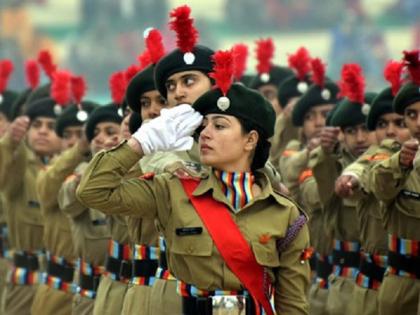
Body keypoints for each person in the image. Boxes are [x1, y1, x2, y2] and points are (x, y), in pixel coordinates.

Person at [76, 54, 311, 314]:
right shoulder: (172, 189)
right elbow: (92, 191)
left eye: (219, 126)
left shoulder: (283, 212)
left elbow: (292, 303)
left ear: (250, 140)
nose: (207, 134)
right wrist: (138, 144)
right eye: (204, 127)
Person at [308, 64, 377, 315]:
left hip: (389, 282)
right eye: (351, 131)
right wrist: (325, 153)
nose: (360, 138)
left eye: (366, 129)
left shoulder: (395, 163)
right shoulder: (330, 165)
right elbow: (319, 189)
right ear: (341, 136)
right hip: (346, 283)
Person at [31, 101, 98, 315]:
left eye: (80, 134)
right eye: (67, 135)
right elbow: (45, 188)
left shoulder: (102, 173)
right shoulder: (54, 172)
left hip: (94, 292)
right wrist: (79, 150)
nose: (73, 142)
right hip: (57, 292)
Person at [57, 104, 122, 315]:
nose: (101, 138)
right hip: (90, 296)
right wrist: (99, 166)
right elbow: (68, 201)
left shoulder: (138, 174)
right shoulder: (82, 173)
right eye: (96, 133)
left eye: (110, 132)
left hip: (128, 291)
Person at [0, 96, 62, 315]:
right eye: (36, 125)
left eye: (51, 126)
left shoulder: (72, 171)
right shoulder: (19, 167)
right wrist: (9, 143)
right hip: (26, 282)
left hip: (63, 284)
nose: (43, 131)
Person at [370, 50, 420, 315]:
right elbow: (377, 182)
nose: (419, 122)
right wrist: (401, 163)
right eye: (411, 115)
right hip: (404, 286)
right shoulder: (393, 156)